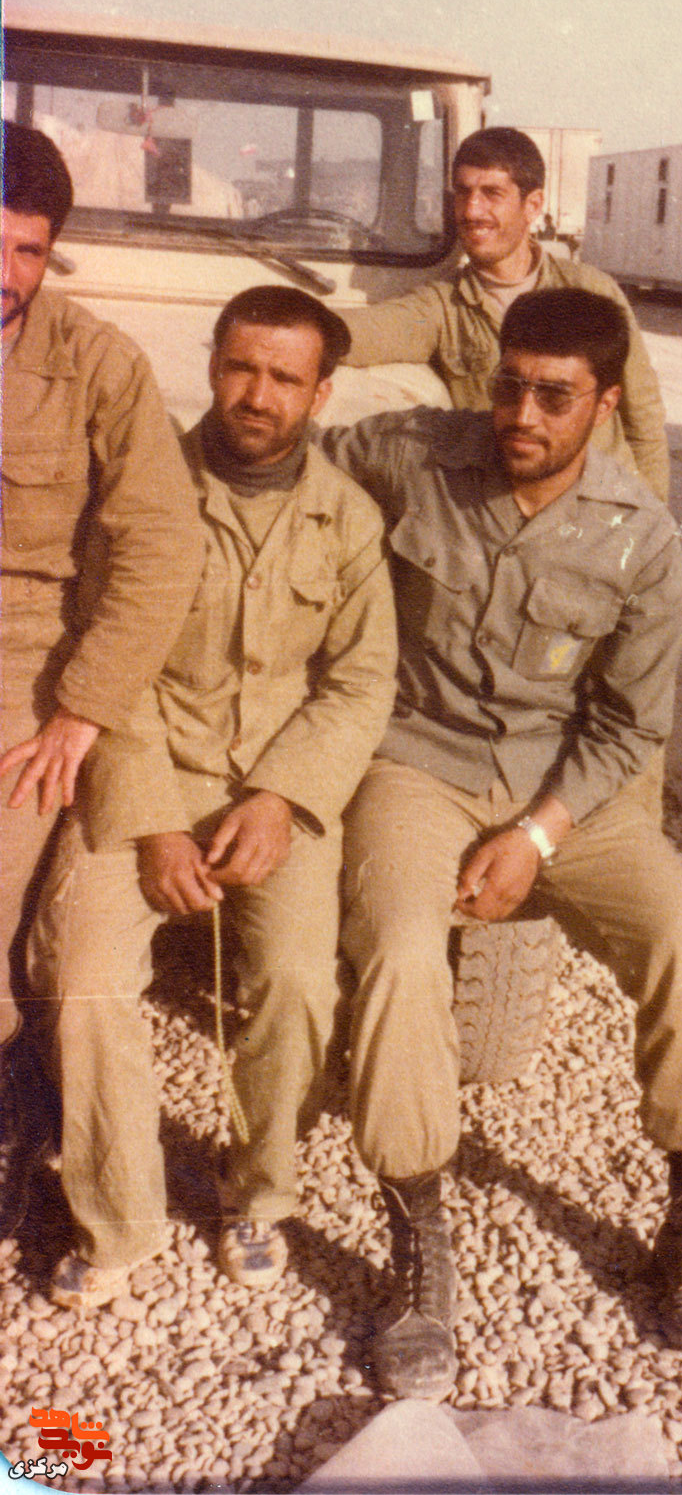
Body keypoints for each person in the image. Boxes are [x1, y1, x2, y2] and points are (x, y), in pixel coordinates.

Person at [322, 286, 682, 1401]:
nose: (521, 414)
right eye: (509, 385)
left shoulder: (641, 537)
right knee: (401, 954)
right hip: (417, 761)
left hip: (570, 788)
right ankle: (419, 1234)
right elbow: (280, 460)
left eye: (554, 397)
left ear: (604, 404)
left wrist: (535, 835)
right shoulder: (415, 453)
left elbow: (630, 727)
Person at [26, 285, 397, 1310]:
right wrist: (151, 822)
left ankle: (259, 1191)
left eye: (284, 377)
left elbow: (361, 681)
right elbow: (107, 661)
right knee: (81, 973)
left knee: (298, 982)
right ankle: (118, 1218)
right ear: (213, 366)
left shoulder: (347, 518)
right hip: (146, 770)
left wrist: (283, 796)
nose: (257, 395)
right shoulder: (142, 497)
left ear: (322, 392)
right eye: (240, 368)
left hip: (277, 788)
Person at [1, 121, 205, 1195]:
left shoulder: (96, 366)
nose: (6, 273)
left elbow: (162, 544)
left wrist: (82, 707)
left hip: (27, 662)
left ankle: (21, 1110)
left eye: (29, 251)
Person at [341, 126, 670, 502]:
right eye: (462, 192)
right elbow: (360, 332)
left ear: (533, 205)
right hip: (508, 506)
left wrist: (654, 516)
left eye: (491, 194)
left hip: (599, 505)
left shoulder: (592, 291)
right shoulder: (443, 307)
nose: (471, 210)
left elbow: (644, 419)